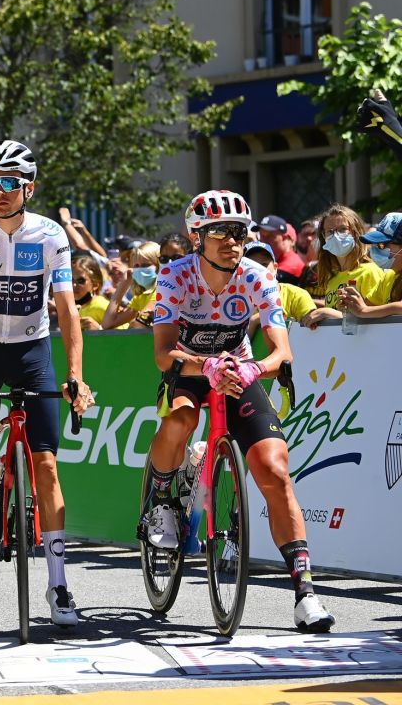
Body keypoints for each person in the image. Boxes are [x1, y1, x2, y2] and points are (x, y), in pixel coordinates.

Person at [145, 189, 335, 632]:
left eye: (238, 231)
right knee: (183, 418)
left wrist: (253, 369)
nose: (232, 240)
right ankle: (162, 499)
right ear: (197, 238)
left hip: (239, 370)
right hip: (191, 368)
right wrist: (206, 365)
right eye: (220, 232)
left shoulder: (257, 277)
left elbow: (281, 352)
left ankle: (305, 592)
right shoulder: (174, 274)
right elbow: (162, 354)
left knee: (274, 469)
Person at [0, 140, 94, 626]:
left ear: (29, 187)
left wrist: (75, 375)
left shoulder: (50, 235)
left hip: (33, 352)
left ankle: (59, 585)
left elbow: (68, 310)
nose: (0, 191)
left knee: (46, 466)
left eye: (10, 182)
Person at [310, 204, 393, 310]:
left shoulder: (370, 272)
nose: (335, 235)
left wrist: (330, 314)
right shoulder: (332, 278)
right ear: (323, 236)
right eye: (329, 231)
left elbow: (374, 316)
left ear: (356, 232)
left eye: (342, 229)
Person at [242, 242, 337, 329]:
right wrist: (254, 321)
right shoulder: (235, 298)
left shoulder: (296, 295)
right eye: (251, 266)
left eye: (264, 264)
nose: (259, 270)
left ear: (275, 268)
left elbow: (313, 330)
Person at [339, 212, 402, 318]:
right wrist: (351, 304)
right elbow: (370, 306)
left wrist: (363, 311)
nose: (376, 249)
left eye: (382, 245)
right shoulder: (389, 276)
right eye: (375, 244)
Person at [102, 241, 160, 330]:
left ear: (159, 266)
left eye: (145, 265)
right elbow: (108, 324)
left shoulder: (161, 290)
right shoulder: (140, 296)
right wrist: (123, 286)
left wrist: (135, 322)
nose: (139, 269)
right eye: (136, 266)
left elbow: (138, 324)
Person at [254, 215, 305, 285]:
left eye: (270, 236)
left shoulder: (292, 262)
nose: (263, 241)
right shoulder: (275, 259)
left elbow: (262, 281)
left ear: (284, 238)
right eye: (262, 235)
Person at [71, 254, 109, 330]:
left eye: (81, 281)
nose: (74, 285)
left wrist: (99, 329)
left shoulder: (102, 306)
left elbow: (127, 334)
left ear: (95, 285)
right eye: (71, 280)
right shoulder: (80, 308)